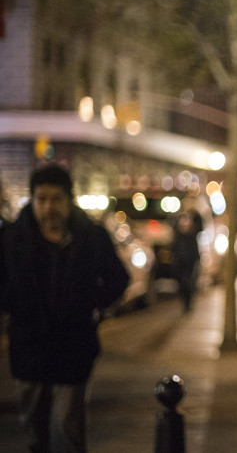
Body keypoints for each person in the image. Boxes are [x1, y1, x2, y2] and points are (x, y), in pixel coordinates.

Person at [0, 164, 130, 452]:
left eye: (56, 199)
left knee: (65, 428)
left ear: (69, 200)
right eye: (42, 199)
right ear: (32, 200)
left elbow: (118, 279)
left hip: (73, 347)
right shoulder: (13, 239)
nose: (49, 207)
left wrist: (94, 304)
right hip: (28, 348)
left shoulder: (91, 237)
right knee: (35, 430)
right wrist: (14, 304)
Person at [171, 210, 201, 312]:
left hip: (189, 264)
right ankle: (185, 303)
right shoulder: (179, 237)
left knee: (188, 284)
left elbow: (195, 251)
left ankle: (188, 304)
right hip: (181, 264)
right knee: (182, 284)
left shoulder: (191, 236)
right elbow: (174, 249)